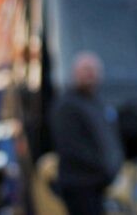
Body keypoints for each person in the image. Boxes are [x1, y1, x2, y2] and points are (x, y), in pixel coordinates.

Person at [50, 52, 125, 215]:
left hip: (96, 185)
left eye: (93, 70)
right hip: (80, 184)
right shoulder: (67, 105)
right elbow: (72, 147)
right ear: (74, 73)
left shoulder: (96, 102)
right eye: (86, 70)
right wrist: (103, 167)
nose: (90, 74)